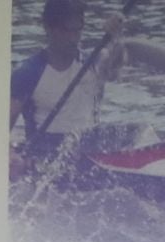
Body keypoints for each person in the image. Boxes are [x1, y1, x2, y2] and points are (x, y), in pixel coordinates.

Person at [9, 0, 125, 160]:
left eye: (77, 30)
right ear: (48, 28)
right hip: (47, 157)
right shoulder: (28, 73)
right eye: (66, 31)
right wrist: (11, 156)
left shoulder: (94, 63)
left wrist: (115, 37)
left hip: (91, 151)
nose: (73, 38)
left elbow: (115, 66)